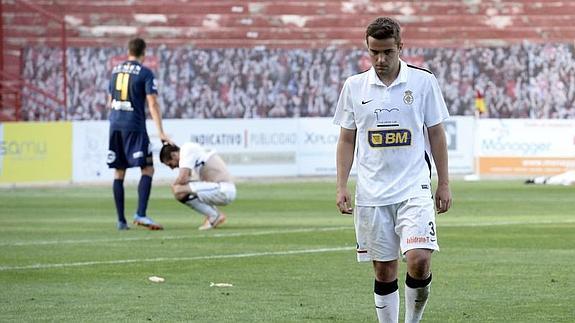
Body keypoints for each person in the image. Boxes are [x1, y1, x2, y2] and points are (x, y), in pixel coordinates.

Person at [333, 17, 452, 323]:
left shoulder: (423, 82)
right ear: (367, 49)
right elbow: (347, 138)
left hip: (414, 186)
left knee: (419, 259)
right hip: (372, 192)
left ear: (401, 47)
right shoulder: (354, 86)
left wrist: (444, 183)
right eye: (374, 52)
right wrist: (341, 186)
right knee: (384, 270)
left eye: (387, 52)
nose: (380, 59)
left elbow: (436, 133)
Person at [107, 38, 171, 231]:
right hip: (134, 126)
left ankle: (121, 220)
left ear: (128, 51)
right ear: (144, 52)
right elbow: (152, 103)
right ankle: (141, 214)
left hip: (115, 124)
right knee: (148, 168)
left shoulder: (115, 71)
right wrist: (160, 132)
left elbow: (110, 100)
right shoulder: (145, 73)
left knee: (119, 172)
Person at [159, 142, 235, 230]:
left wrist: (173, 186)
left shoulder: (186, 149)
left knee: (179, 190)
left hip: (224, 189)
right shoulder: (190, 153)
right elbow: (187, 179)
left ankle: (214, 215)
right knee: (180, 192)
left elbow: (183, 178)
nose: (172, 168)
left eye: (170, 164)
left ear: (174, 155)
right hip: (219, 189)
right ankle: (214, 215)